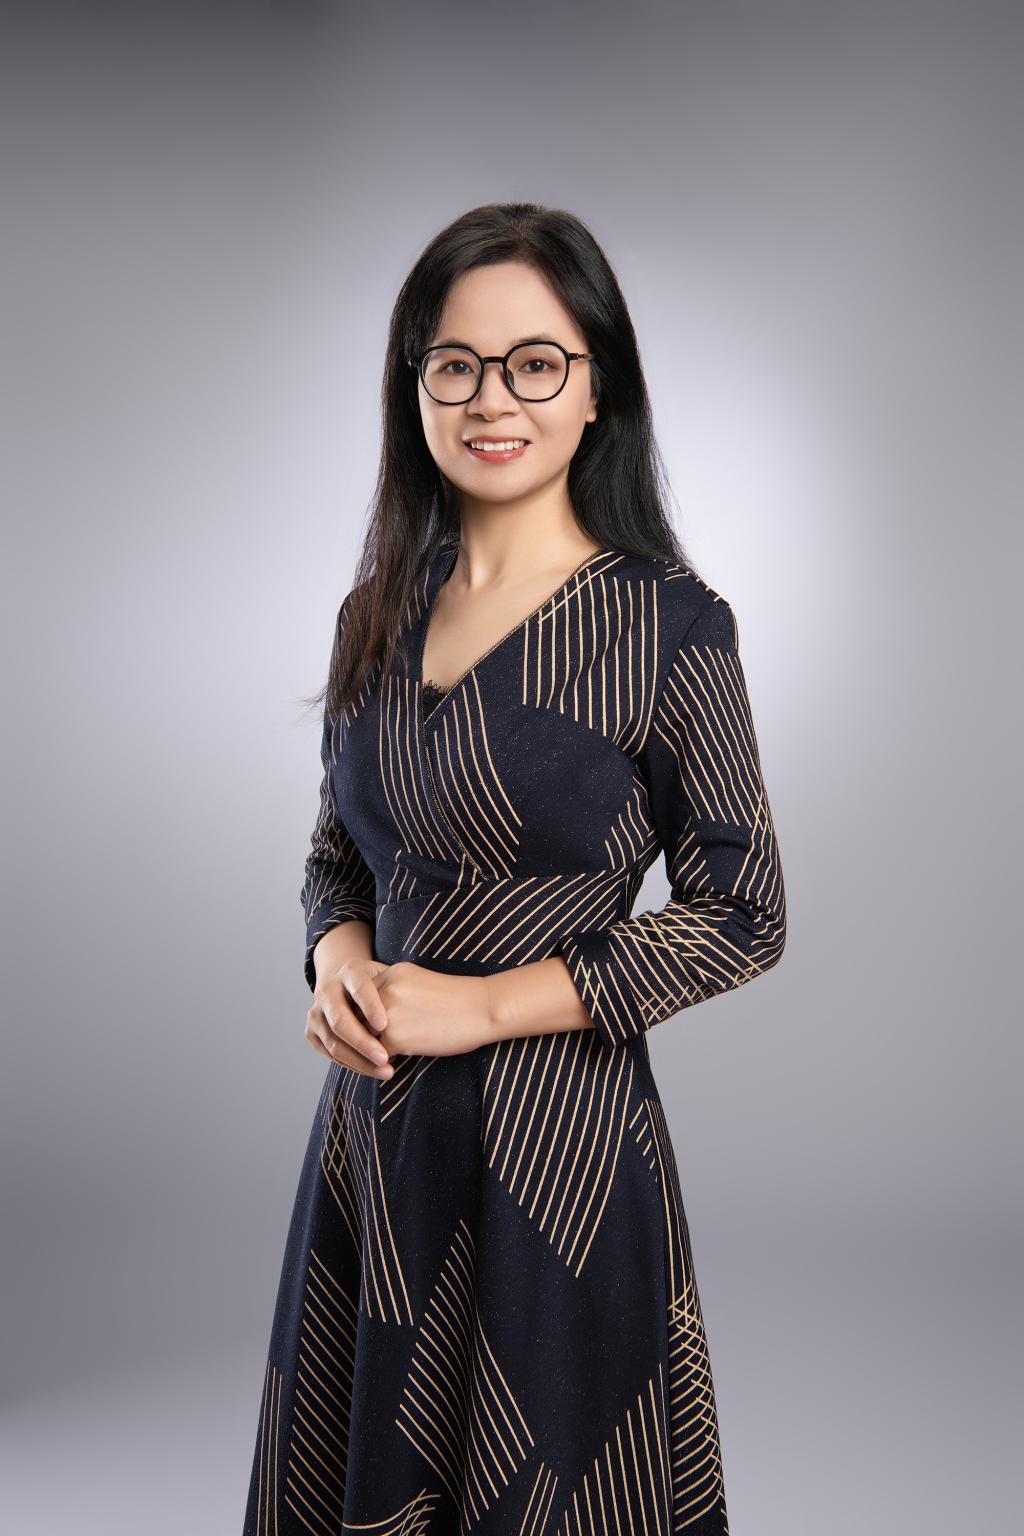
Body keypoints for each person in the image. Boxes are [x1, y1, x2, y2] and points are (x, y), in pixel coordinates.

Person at [242, 201, 787, 1534]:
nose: (495, 399)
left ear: (598, 388)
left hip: (560, 1156)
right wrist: (339, 960)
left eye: (536, 362)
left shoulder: (671, 626)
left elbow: (743, 913)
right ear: (415, 389)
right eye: (457, 364)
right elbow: (335, 854)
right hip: (379, 1142)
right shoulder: (378, 612)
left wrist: (481, 1004)